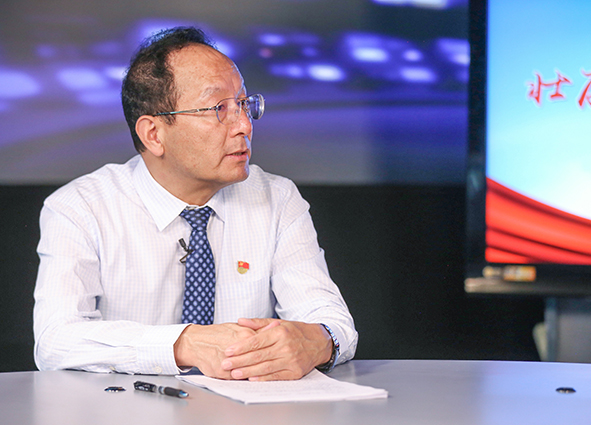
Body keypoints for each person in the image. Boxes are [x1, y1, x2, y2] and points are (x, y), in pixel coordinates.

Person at [33, 26, 358, 381]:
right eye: (219, 108)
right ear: (153, 135)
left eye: (244, 104)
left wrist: (315, 341)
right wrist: (184, 344)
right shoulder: (80, 208)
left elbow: (333, 323)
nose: (244, 125)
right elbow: (55, 340)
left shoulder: (277, 199)